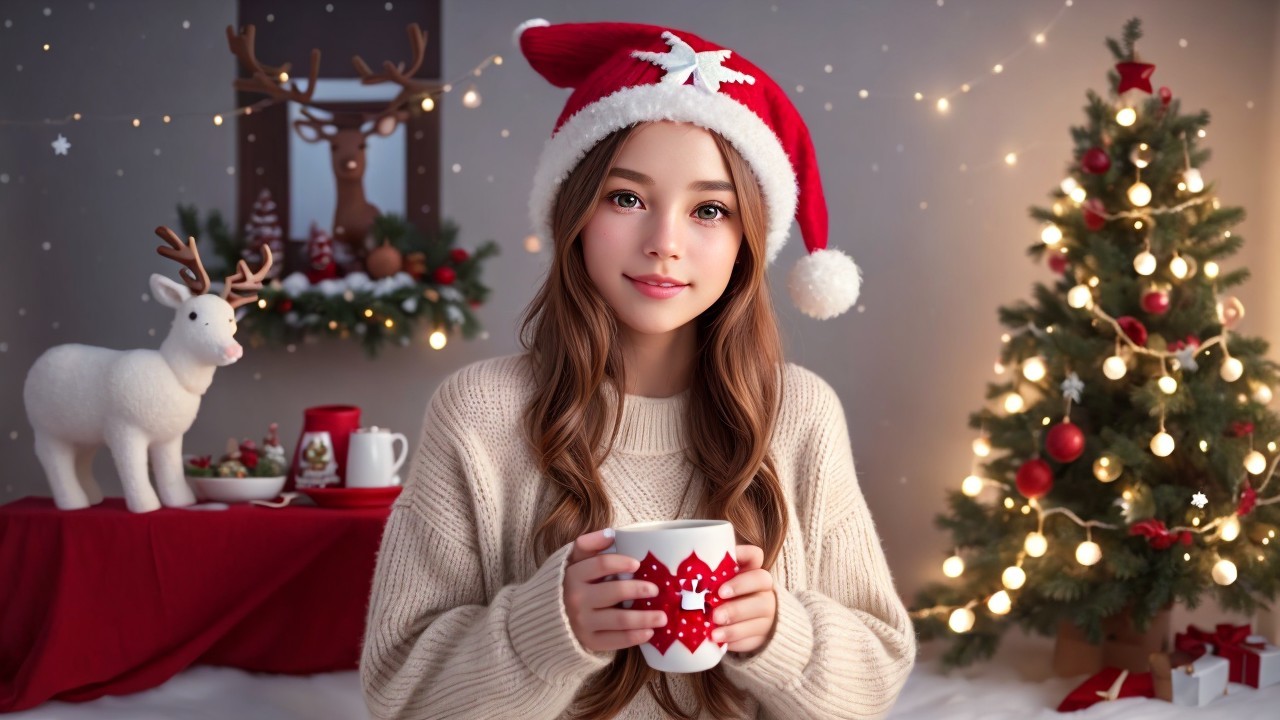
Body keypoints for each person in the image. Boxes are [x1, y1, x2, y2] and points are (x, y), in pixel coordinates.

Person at [361, 19, 915, 720]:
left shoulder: (800, 414)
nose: (664, 243)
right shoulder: (479, 413)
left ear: (748, 240)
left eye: (709, 209)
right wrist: (544, 632)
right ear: (574, 212)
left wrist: (782, 634)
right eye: (626, 198)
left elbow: (877, 674)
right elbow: (400, 693)